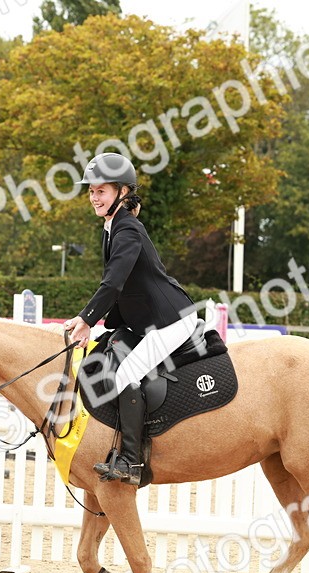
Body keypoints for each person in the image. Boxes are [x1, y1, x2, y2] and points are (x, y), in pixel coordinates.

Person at [63, 152, 199, 486]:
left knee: (127, 376)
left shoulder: (128, 231)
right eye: (91, 191)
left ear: (122, 192)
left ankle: (131, 461)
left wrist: (86, 319)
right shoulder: (112, 226)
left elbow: (113, 283)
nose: (94, 197)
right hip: (143, 320)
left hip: (170, 320)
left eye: (102, 191)